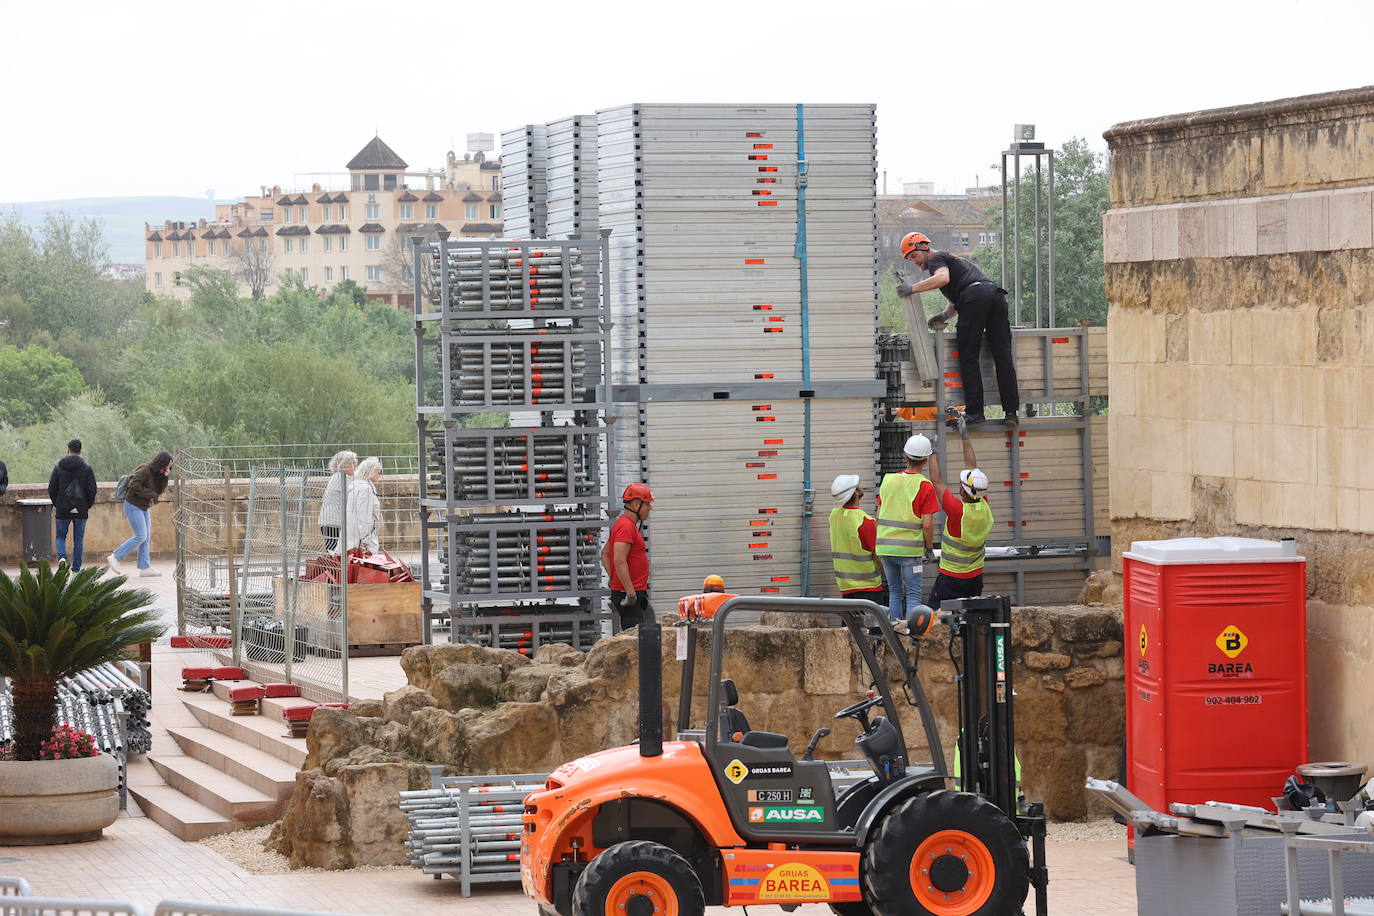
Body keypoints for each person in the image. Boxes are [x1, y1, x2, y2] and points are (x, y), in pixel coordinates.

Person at [897, 231, 1021, 427]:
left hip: (975, 299)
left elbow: (943, 279)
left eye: (914, 256)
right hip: (995, 296)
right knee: (1003, 356)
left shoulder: (936, 258)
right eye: (910, 259)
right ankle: (1011, 412)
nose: (915, 262)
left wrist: (911, 289)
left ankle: (975, 413)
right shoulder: (952, 260)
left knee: (968, 356)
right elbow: (958, 297)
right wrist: (944, 316)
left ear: (924, 247)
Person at [926, 418, 995, 609]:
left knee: (936, 620)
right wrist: (964, 434)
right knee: (970, 622)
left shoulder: (957, 510)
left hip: (951, 578)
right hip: (975, 577)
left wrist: (933, 451)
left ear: (963, 491)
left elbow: (936, 481)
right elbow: (972, 468)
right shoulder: (984, 505)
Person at [876, 434, 939, 622]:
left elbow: (879, 515)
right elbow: (927, 525)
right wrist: (929, 549)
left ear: (905, 456)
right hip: (909, 551)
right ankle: (911, 634)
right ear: (926, 460)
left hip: (886, 548)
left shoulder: (888, 480)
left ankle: (895, 632)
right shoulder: (925, 486)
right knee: (913, 594)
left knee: (895, 592)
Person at [108, 451, 173, 576]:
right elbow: (133, 485)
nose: (168, 468)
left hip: (143, 507)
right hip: (133, 505)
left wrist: (165, 476)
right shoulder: (145, 470)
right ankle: (115, 557)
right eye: (167, 466)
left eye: (170, 467)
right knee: (141, 535)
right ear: (161, 462)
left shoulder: (158, 475)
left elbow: (159, 491)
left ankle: (145, 568)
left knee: (146, 537)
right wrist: (152, 495)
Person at [828, 474, 887, 607]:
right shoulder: (865, 522)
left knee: (850, 626)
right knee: (874, 627)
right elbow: (878, 555)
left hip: (846, 586)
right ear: (855, 492)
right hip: (868, 588)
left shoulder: (834, 516)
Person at [601, 483, 653, 631]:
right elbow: (618, 560)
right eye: (647, 504)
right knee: (636, 642)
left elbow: (605, 554)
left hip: (632, 592)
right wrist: (629, 592)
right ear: (636, 505)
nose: (650, 508)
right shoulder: (626, 527)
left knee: (644, 635)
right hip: (630, 595)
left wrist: (616, 579)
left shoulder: (624, 524)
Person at [48, 438, 98, 571]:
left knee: (60, 536)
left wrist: (58, 504)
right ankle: (76, 570)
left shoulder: (58, 467)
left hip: (63, 509)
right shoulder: (87, 468)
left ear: (68, 450)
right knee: (78, 540)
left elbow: (52, 489)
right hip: (80, 509)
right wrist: (86, 506)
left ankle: (62, 558)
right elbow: (92, 490)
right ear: (81, 451)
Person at [319, 450, 357, 551]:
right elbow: (354, 492)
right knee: (334, 551)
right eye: (352, 462)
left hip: (335, 521)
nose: (355, 465)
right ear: (344, 465)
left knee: (336, 551)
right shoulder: (340, 478)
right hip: (332, 523)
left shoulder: (342, 477)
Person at [345, 457, 384, 554]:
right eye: (379, 472)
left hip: (355, 538)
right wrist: (366, 540)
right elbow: (364, 516)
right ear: (370, 472)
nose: (381, 475)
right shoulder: (365, 489)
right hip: (362, 541)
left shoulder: (358, 487)